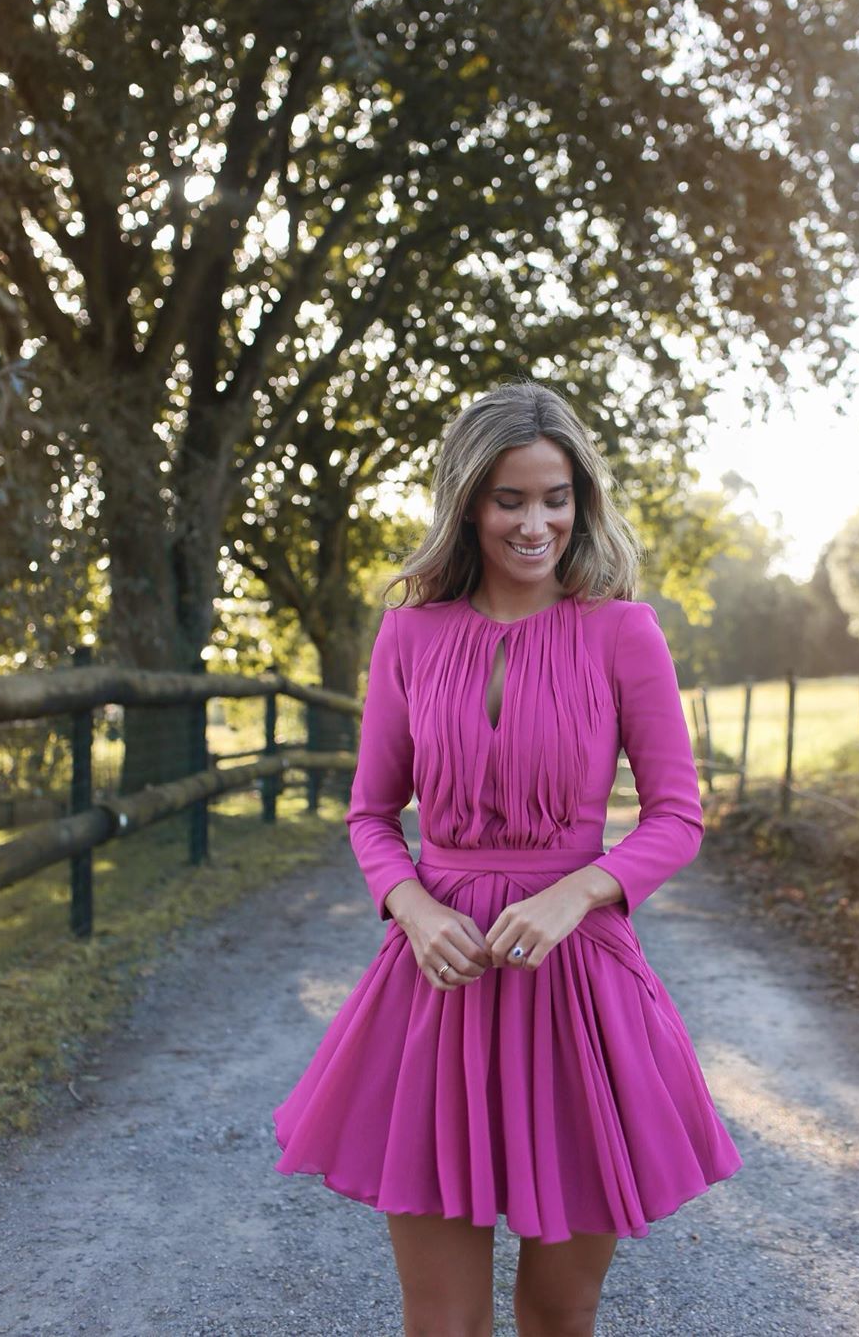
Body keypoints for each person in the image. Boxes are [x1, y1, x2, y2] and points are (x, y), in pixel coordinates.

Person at [273, 381, 743, 1337]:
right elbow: (371, 815)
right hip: (436, 989)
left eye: (556, 498)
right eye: (511, 499)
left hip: (578, 994)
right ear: (469, 503)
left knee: (560, 1314)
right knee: (440, 1320)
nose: (537, 524)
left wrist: (580, 892)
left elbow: (676, 816)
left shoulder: (624, 632)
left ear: (582, 503)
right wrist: (412, 907)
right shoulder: (407, 634)